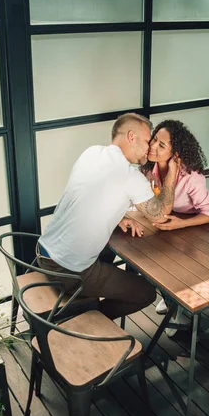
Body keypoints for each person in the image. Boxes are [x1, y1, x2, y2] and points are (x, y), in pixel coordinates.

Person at [37, 112, 180, 321]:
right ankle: (88, 321)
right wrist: (172, 173)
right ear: (132, 137)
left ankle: (89, 305)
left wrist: (119, 217)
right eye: (148, 140)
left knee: (108, 254)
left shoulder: (91, 153)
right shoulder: (129, 176)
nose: (150, 147)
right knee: (146, 292)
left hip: (42, 254)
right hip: (68, 271)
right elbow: (160, 214)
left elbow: (88, 195)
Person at [141, 119, 209, 333]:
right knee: (154, 257)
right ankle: (171, 301)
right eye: (154, 139)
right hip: (173, 224)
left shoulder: (191, 177)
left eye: (161, 145)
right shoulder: (151, 168)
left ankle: (180, 312)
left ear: (176, 154)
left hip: (201, 227)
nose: (152, 147)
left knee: (180, 266)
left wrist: (180, 224)